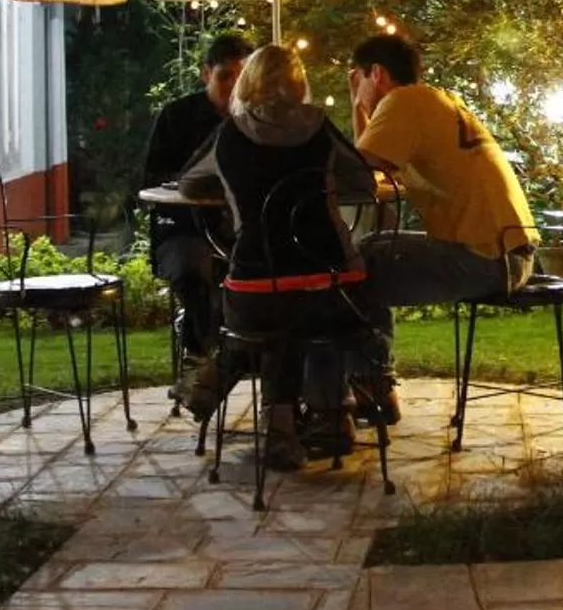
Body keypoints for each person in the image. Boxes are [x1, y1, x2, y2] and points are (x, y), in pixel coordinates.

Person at [174, 43, 381, 468]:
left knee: (267, 315)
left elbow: (188, 184)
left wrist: (232, 188)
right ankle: (287, 424)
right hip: (332, 289)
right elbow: (363, 182)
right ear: (298, 82)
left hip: (256, 286)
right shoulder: (319, 128)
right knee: (294, 309)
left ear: (248, 81)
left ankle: (228, 390)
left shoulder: (230, 133)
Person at [348, 34, 537, 319]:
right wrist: (358, 106)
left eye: (358, 79)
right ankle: (373, 360)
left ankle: (374, 362)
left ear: (376, 74)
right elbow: (372, 168)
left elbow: (357, 169)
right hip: (511, 254)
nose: (357, 89)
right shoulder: (435, 100)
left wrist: (357, 106)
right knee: (373, 246)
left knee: (356, 264)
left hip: (485, 260)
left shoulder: (403, 100)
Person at [141, 31, 252, 370]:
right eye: (225, 76)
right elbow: (150, 180)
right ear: (206, 74)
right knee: (194, 268)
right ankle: (209, 358)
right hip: (183, 228)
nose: (233, 86)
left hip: (238, 230)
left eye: (241, 77)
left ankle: (238, 363)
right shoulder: (176, 117)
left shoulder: (256, 120)